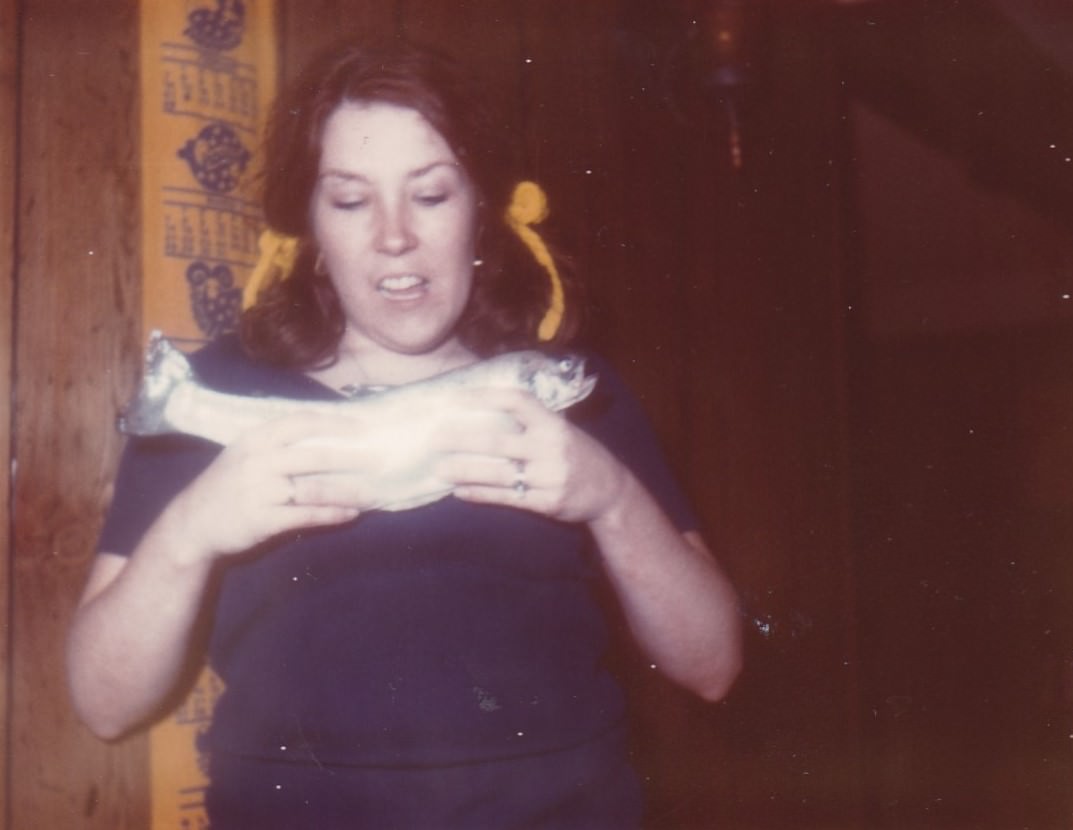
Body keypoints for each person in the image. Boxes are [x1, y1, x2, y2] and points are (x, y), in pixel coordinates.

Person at [67, 38, 742, 829]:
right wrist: (191, 531)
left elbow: (714, 666)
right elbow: (102, 705)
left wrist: (612, 499)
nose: (394, 236)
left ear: (482, 214)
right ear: (310, 227)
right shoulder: (214, 397)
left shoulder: (563, 393)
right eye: (350, 201)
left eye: (430, 194)